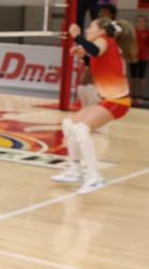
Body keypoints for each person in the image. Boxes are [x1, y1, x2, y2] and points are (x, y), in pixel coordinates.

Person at [51, 18, 132, 194]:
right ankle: (75, 171)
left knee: (81, 129)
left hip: (118, 101)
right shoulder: (105, 45)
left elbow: (94, 50)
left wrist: (77, 36)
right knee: (69, 124)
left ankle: (95, 177)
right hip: (108, 100)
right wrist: (83, 55)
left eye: (91, 26)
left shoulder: (104, 40)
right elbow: (96, 59)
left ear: (101, 31)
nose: (88, 29)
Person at [132, 15, 149, 104]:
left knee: (141, 77)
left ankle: (140, 96)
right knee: (133, 76)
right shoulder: (133, 32)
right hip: (133, 57)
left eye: (143, 21)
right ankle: (132, 95)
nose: (141, 23)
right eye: (139, 21)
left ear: (146, 23)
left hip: (144, 57)